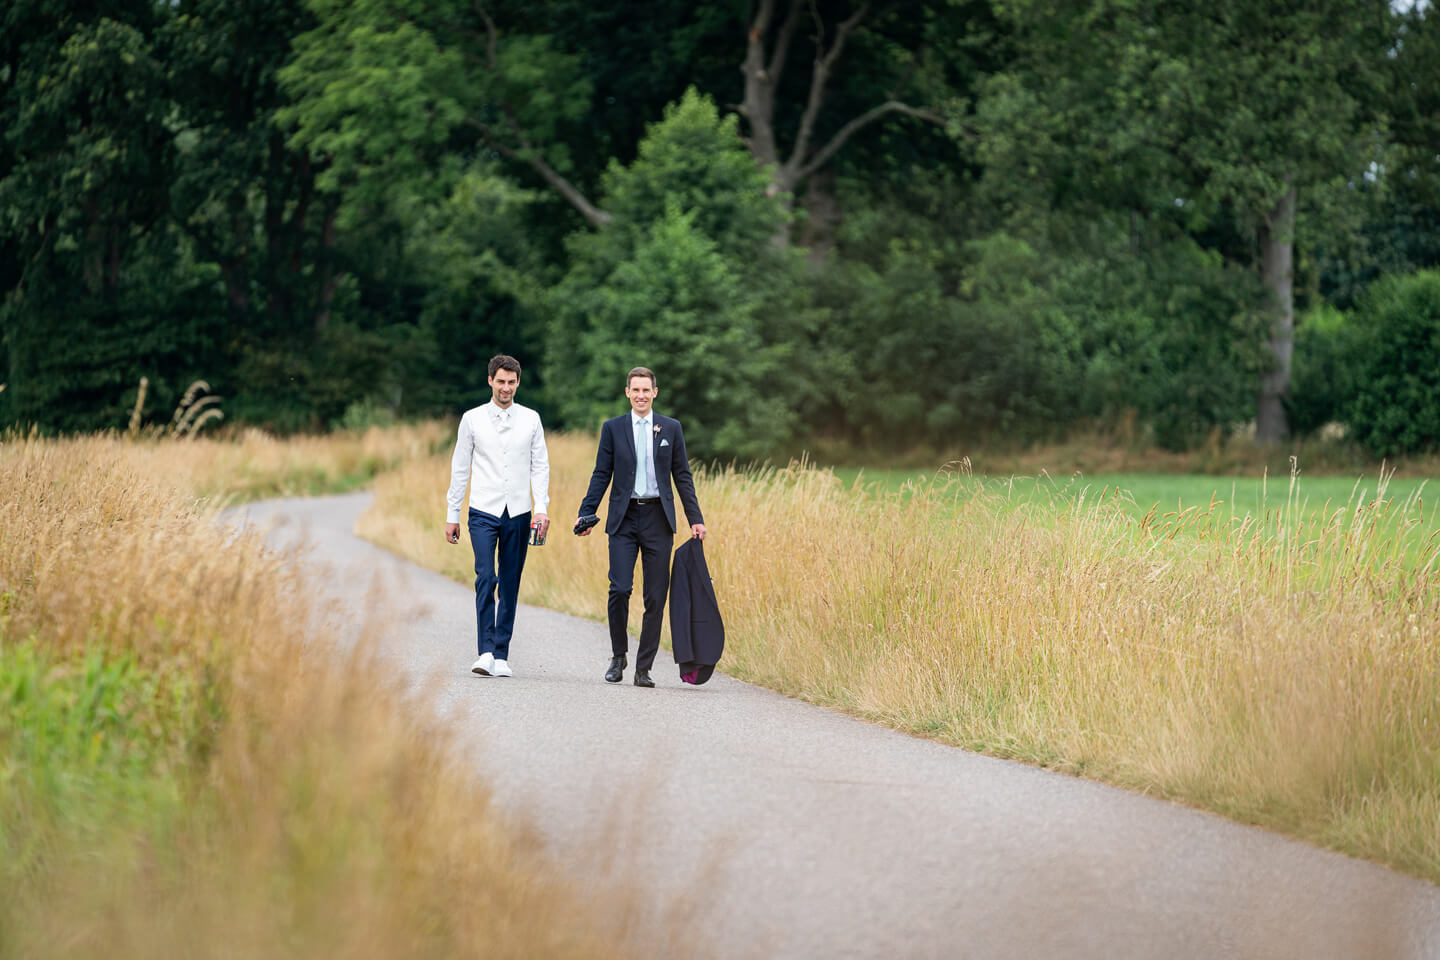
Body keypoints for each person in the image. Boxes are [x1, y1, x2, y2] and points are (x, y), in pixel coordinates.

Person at [575, 366, 706, 688]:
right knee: (619, 588)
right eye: (635, 390)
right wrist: (586, 512)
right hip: (623, 518)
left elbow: (682, 476)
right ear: (627, 392)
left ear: (655, 393)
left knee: (655, 596)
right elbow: (601, 473)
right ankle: (618, 656)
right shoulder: (613, 429)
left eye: (646, 390)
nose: (641, 395)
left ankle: (643, 668)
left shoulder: (671, 429)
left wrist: (695, 518)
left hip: (658, 520)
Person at [445, 355, 550, 678]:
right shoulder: (472, 419)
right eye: (501, 381)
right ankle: (485, 651)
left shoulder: (531, 419)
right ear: (490, 380)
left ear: (518, 382)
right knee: (485, 577)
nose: (506, 387)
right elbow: (461, 467)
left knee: (509, 581)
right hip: (482, 511)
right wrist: (453, 513)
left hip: (518, 511)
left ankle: (501, 654)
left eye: (512, 382)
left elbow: (540, 466)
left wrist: (542, 508)